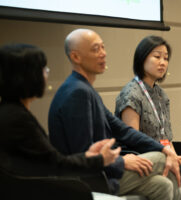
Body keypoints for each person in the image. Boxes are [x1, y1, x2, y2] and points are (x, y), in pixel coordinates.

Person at [48, 29, 181, 200]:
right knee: (161, 158)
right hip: (89, 180)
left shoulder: (86, 89)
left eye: (103, 47)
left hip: (104, 171)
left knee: (163, 184)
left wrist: (164, 147)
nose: (103, 54)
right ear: (76, 57)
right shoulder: (77, 93)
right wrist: (123, 162)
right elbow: (83, 155)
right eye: (95, 49)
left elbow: (122, 130)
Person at [0, 43, 120, 187]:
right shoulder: (16, 118)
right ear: (28, 76)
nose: (47, 73)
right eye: (43, 69)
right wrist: (100, 160)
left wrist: (88, 155)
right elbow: (55, 165)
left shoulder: (11, 111)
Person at [115, 35, 181, 198]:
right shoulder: (131, 94)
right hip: (146, 159)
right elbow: (132, 139)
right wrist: (167, 155)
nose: (162, 62)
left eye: (166, 58)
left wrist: (175, 155)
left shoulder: (160, 93)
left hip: (166, 154)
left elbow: (166, 135)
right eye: (157, 56)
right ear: (142, 58)